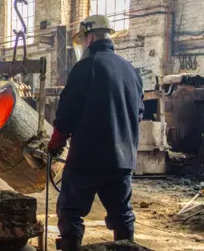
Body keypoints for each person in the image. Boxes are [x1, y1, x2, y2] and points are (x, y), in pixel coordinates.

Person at [47, 15, 145, 250]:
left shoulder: (85, 67)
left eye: (82, 41)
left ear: (89, 38)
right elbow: (139, 112)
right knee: (122, 213)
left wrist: (57, 141)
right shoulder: (130, 70)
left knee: (71, 211)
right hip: (122, 160)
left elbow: (67, 111)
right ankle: (126, 246)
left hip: (87, 159)